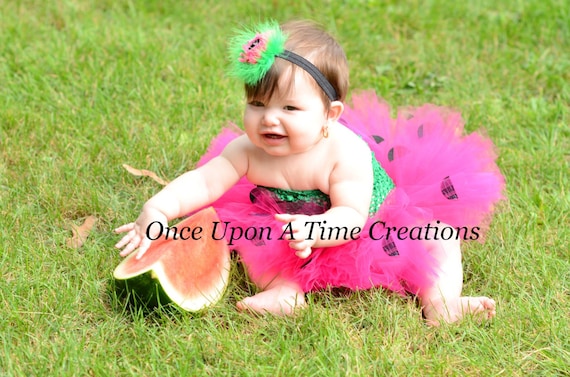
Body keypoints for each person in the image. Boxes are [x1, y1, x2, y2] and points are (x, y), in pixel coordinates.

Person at [115, 20, 505, 325]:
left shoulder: (345, 152)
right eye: (257, 103)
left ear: (329, 116)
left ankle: (441, 303)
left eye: (289, 109)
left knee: (440, 236)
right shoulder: (247, 150)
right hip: (287, 227)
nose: (270, 119)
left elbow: (352, 216)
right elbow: (204, 181)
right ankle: (284, 292)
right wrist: (159, 207)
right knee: (255, 244)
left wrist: (318, 230)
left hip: (368, 225)